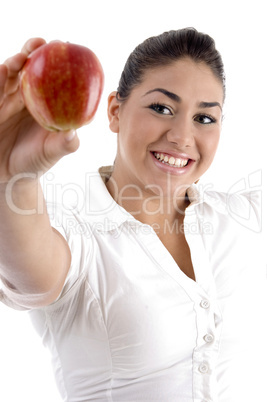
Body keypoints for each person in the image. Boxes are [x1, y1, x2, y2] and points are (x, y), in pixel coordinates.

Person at [0, 28, 266, 402]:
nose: (181, 136)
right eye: (161, 108)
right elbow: (32, 277)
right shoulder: (78, 237)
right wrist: (9, 176)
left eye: (205, 118)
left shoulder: (246, 217)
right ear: (115, 111)